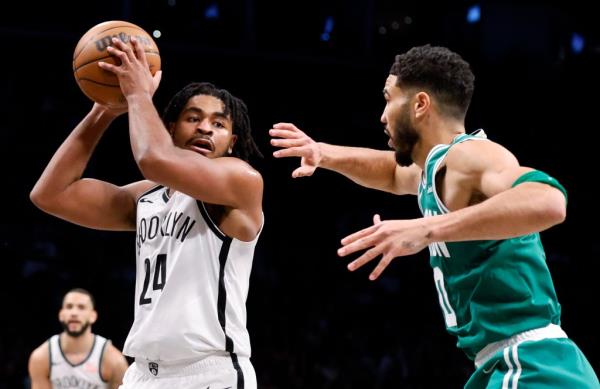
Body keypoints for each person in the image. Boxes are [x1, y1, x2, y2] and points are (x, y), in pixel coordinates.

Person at [270, 44, 600, 388]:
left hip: (534, 366)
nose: (382, 115)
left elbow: (549, 201)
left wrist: (426, 229)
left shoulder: (470, 156)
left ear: (420, 104)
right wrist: (323, 153)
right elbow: (392, 174)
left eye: (388, 98)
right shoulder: (438, 170)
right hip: (510, 363)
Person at [30, 36, 264, 389]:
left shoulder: (241, 180)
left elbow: (153, 159)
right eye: (193, 118)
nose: (205, 128)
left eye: (219, 124)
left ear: (232, 141)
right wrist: (106, 107)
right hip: (142, 374)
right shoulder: (148, 199)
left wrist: (138, 94)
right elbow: (51, 194)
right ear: (170, 127)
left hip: (211, 372)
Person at [28, 288, 129, 389]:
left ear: (93, 316)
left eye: (81, 307)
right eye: (69, 307)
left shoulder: (114, 361)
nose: (74, 313)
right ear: (61, 315)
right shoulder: (41, 357)